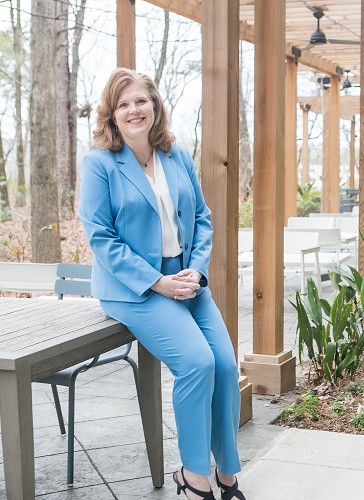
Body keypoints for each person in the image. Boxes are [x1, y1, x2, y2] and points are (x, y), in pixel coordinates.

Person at [78, 68, 245, 500]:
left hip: (187, 279)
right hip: (133, 287)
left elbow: (202, 218)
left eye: (140, 101)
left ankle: (227, 473)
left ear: (154, 106)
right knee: (197, 363)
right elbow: (100, 237)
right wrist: (157, 282)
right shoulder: (99, 164)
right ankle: (193, 476)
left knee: (226, 366)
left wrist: (198, 270)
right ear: (112, 115)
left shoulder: (177, 156)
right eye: (123, 104)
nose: (133, 110)